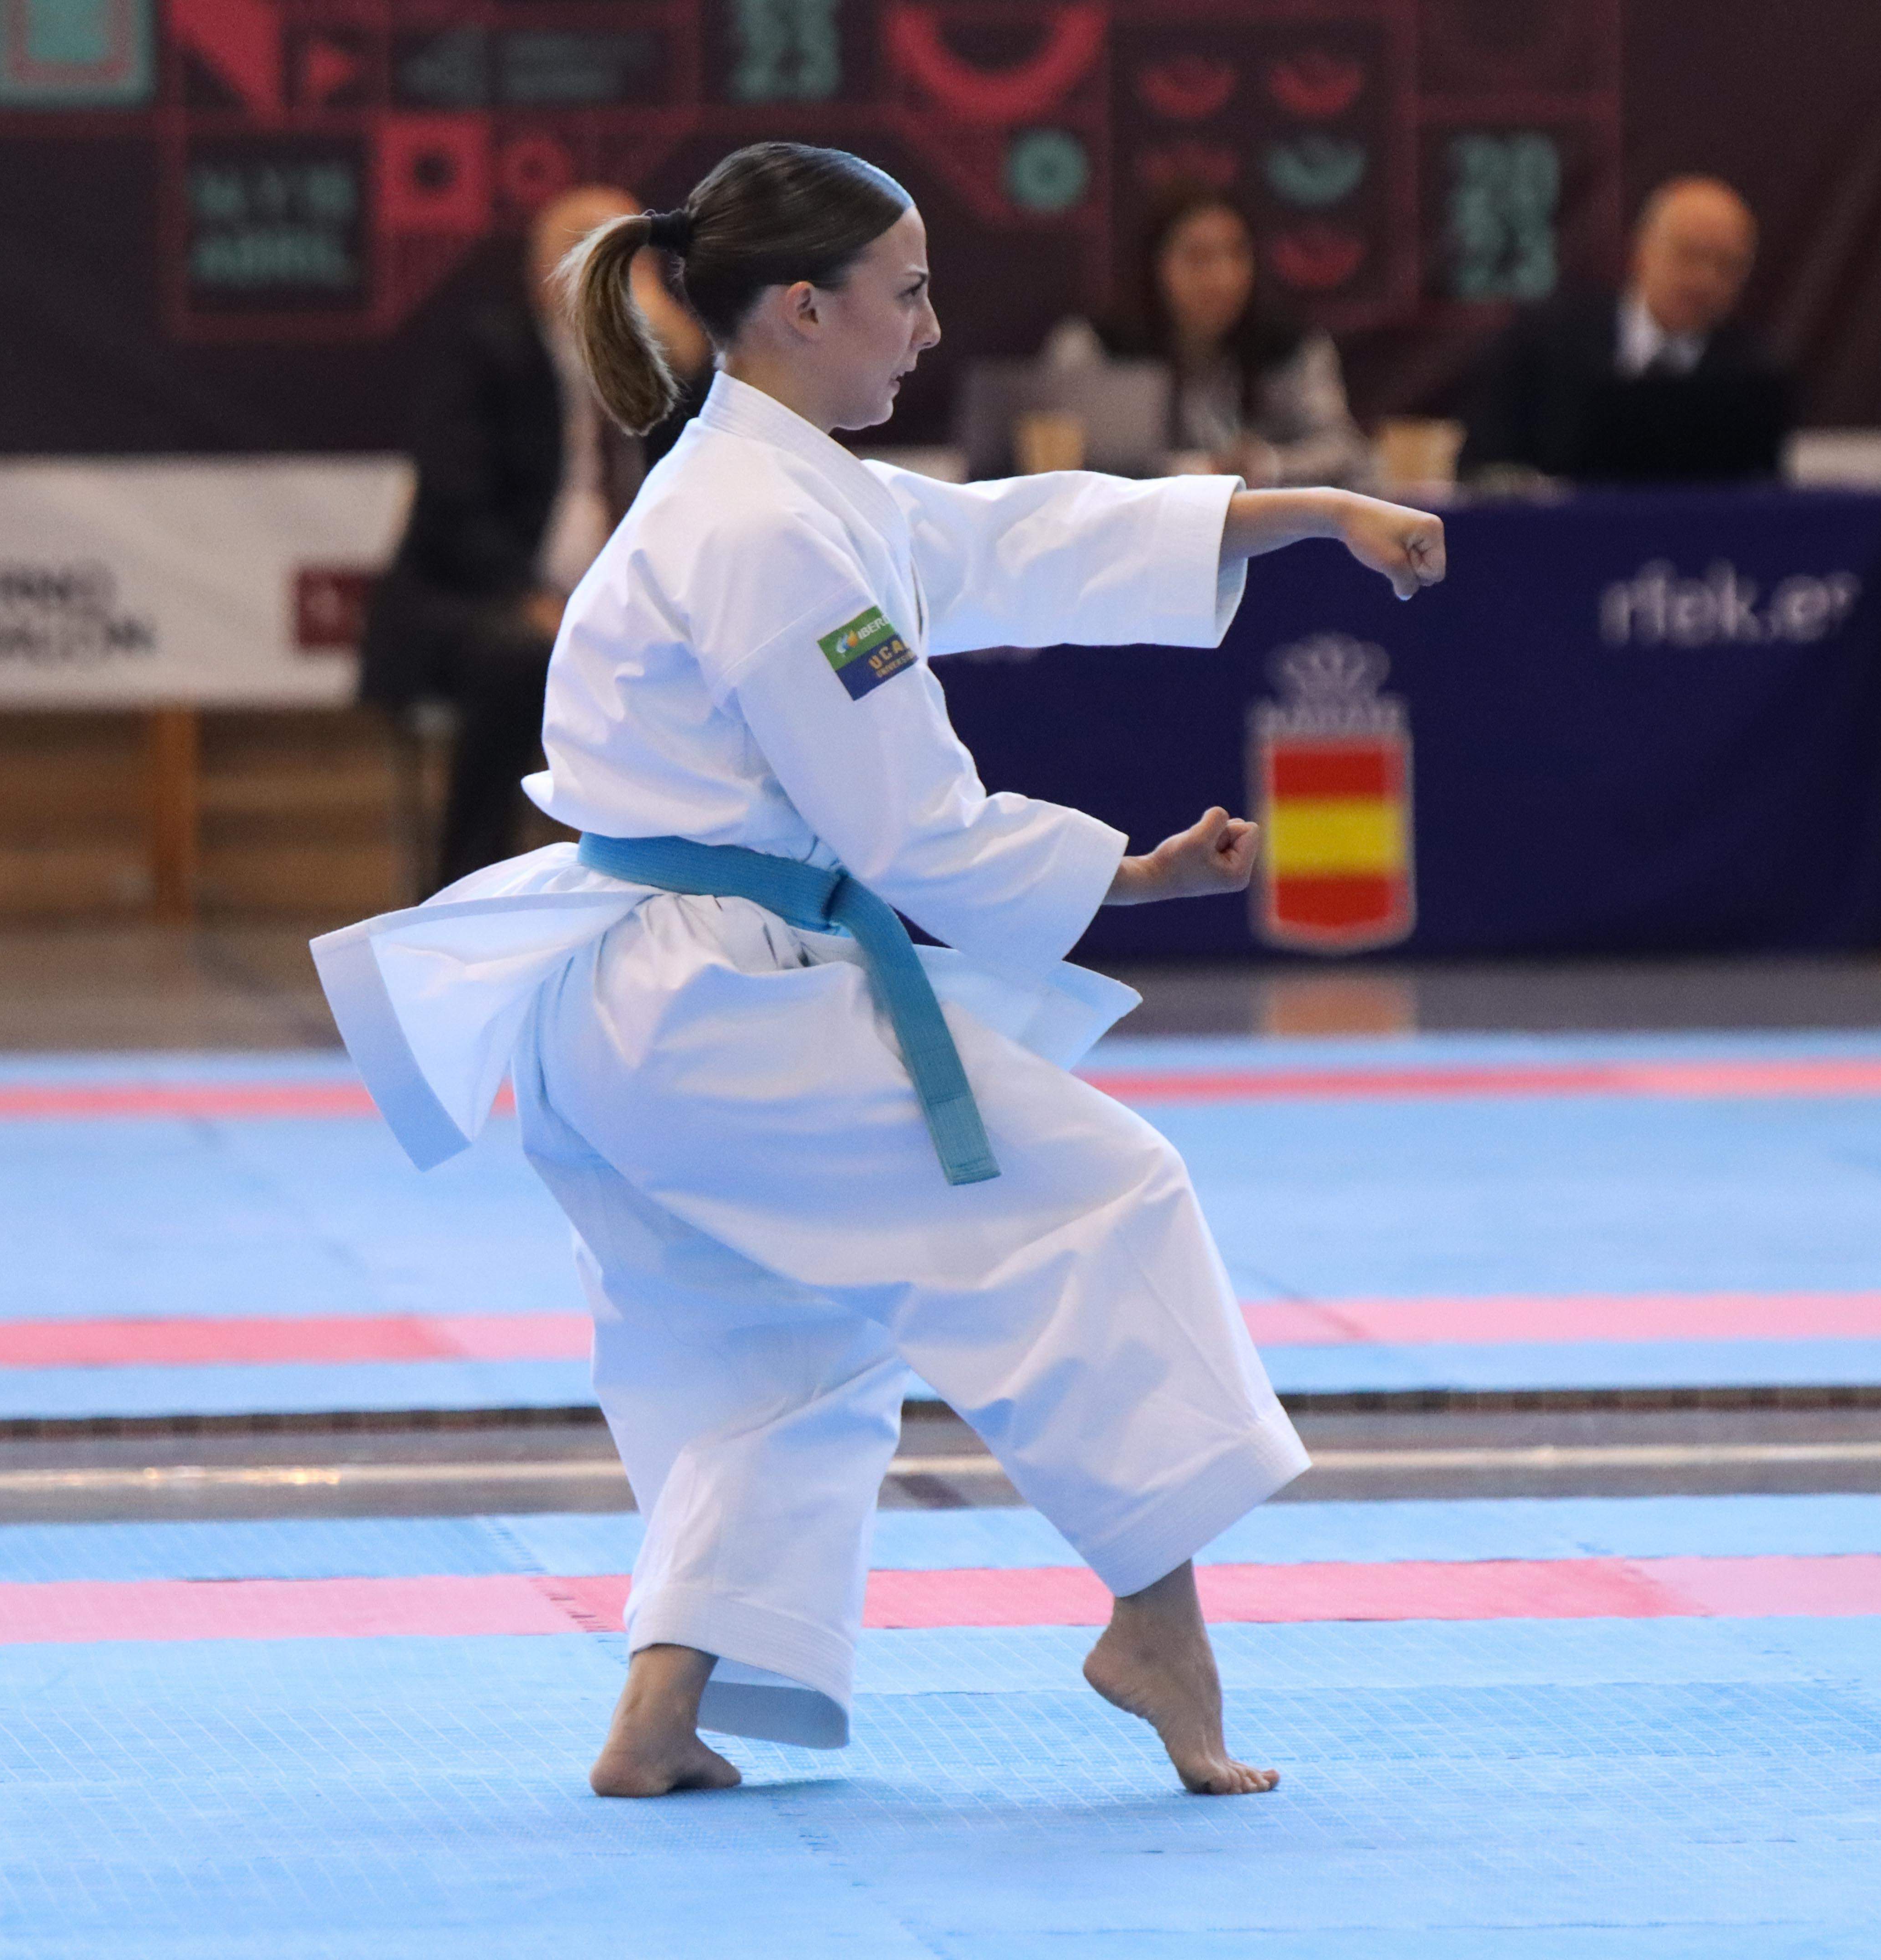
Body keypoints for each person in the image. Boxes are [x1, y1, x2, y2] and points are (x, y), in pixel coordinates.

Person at [308, 143, 1445, 1799]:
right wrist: (1119, 873)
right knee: (1099, 1194)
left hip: (635, 997)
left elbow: (1009, 537)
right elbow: (912, 825)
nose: (927, 326)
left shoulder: (772, 484)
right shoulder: (765, 529)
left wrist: (1308, 512)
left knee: (768, 1341)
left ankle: (659, 1708)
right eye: (903, 294)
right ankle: (1154, 1618)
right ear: (799, 307)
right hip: (692, 998)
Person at [357, 187, 712, 893]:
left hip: (620, 610)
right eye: (584, 255)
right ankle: (468, 888)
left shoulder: (657, 361)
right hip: (476, 602)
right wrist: (535, 597)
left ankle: (679, 882)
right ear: (543, 274)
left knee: (714, 654)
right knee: (520, 658)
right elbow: (453, 509)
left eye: (622, 257)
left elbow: (706, 484)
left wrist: (685, 357)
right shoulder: (487, 352)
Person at [1040, 185, 1369, 486]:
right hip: (1134, 535)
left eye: (1236, 255)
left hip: (1265, 533)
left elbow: (1345, 450)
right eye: (1198, 258)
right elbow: (1059, 459)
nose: (1223, 278)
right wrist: (1182, 469)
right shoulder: (1096, 345)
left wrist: (1269, 463)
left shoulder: (1289, 345)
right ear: (1154, 265)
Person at [1460, 175, 1785, 479]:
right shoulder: (1544, 342)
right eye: (1690, 255)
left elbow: (1759, 501)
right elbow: (1482, 467)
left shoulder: (1754, 375)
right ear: (1643, 250)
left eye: (1727, 265)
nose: (1705, 280)